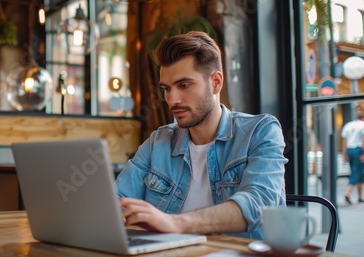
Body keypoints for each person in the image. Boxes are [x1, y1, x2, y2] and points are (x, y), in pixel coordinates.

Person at [116, 31, 288, 240]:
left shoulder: (260, 131)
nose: (172, 100)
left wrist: (173, 223)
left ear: (216, 82)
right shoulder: (158, 143)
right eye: (166, 89)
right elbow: (117, 199)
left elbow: (260, 203)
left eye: (184, 85)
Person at [342, 113, 364, 204]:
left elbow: (344, 141)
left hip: (350, 150)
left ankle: (360, 197)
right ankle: (347, 193)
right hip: (359, 150)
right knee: (356, 172)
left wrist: (344, 154)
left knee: (359, 172)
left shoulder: (348, 125)